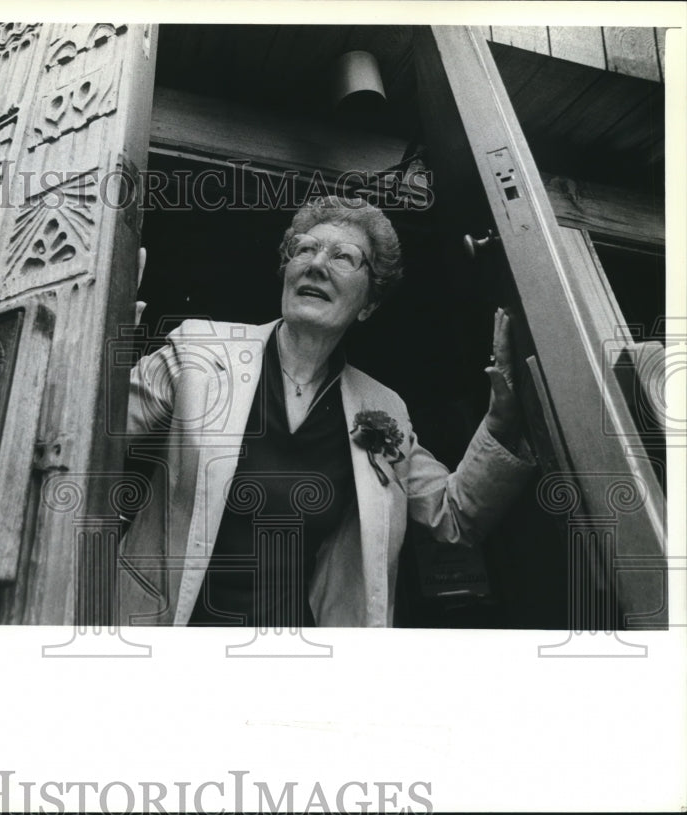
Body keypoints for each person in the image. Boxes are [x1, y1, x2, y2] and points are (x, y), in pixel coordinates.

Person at [118, 195, 534, 628]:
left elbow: (454, 515)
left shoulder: (383, 406)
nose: (316, 264)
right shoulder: (200, 351)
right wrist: (107, 323)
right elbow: (95, 433)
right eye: (305, 249)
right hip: (160, 631)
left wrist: (501, 424)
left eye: (343, 257)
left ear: (369, 304)